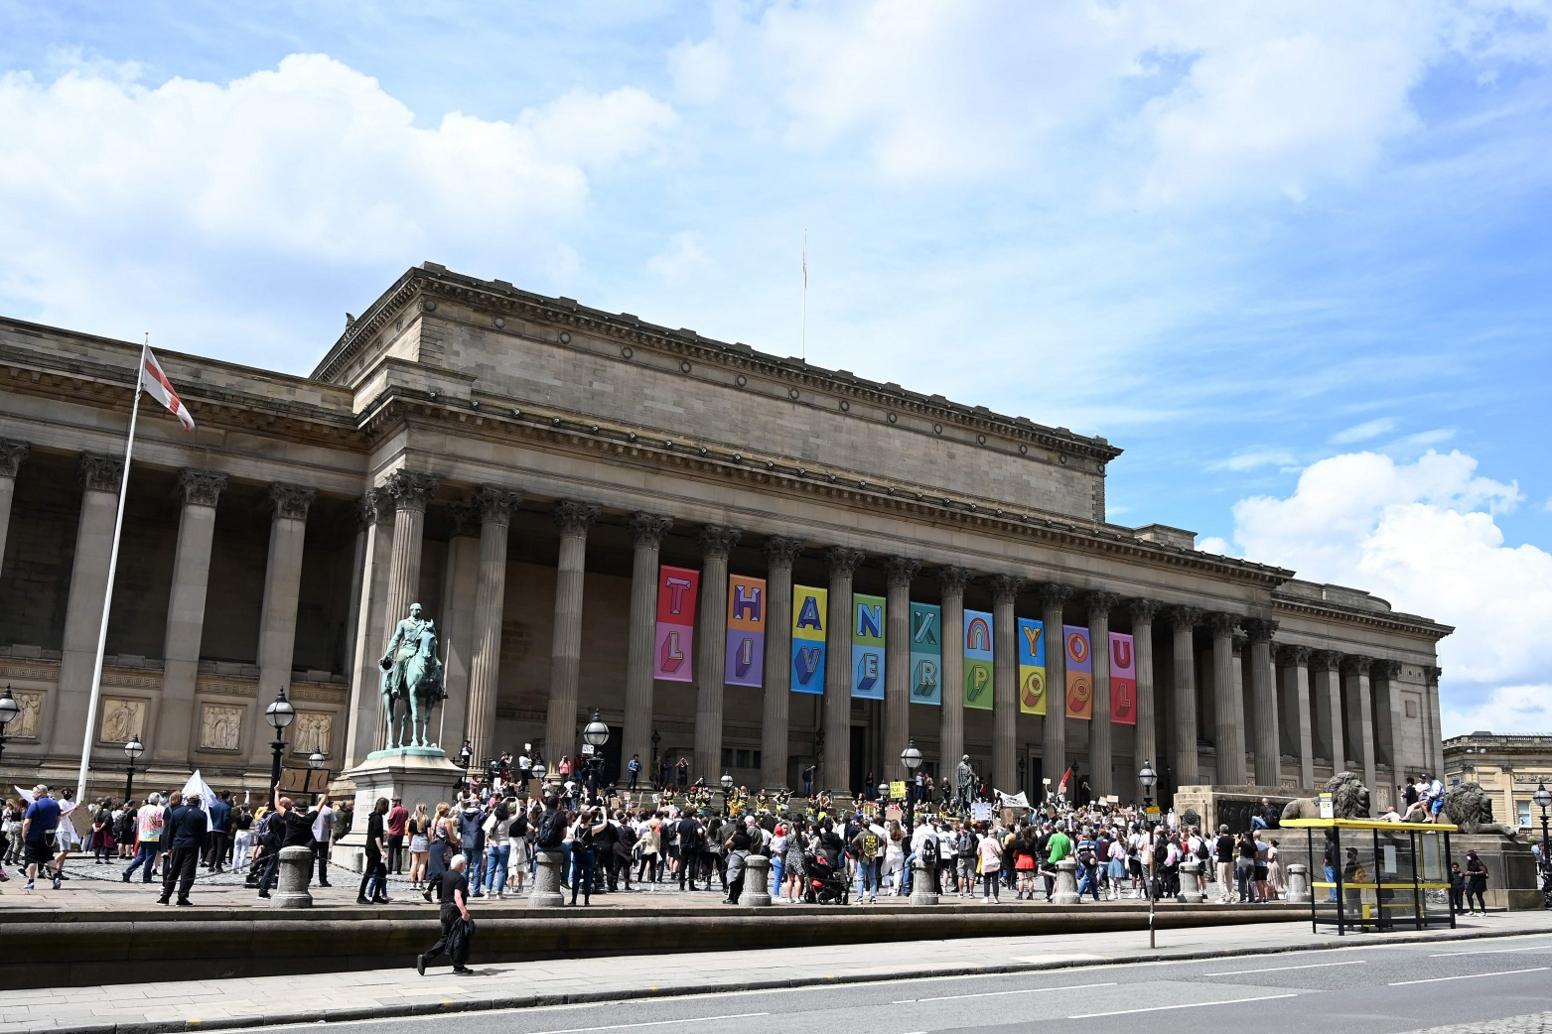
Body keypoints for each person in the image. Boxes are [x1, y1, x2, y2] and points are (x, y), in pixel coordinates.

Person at [417, 854, 475, 976]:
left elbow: (435, 878)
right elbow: (457, 896)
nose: (465, 867)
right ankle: (458, 966)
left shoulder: (445, 874)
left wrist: (428, 890)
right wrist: (464, 912)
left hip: (444, 909)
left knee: (446, 938)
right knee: (459, 938)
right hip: (454, 911)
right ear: (460, 865)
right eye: (464, 865)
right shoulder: (460, 879)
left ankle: (425, 959)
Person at [158, 793, 207, 906]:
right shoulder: (201, 814)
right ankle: (182, 897)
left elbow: (171, 831)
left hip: (178, 844)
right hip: (192, 845)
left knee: (173, 871)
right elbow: (203, 834)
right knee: (188, 872)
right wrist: (204, 850)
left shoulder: (177, 812)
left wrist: (169, 847)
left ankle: (165, 896)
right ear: (198, 802)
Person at [21, 785, 62, 893]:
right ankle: (56, 878)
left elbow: (26, 823)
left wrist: (24, 835)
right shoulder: (55, 804)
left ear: (40, 793)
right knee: (49, 857)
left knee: (32, 859)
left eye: (34, 793)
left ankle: (30, 882)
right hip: (48, 837)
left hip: (34, 837)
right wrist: (52, 830)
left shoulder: (35, 805)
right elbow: (58, 820)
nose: (33, 795)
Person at [358, 797, 390, 904]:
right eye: (387, 806)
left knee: (382, 871)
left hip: (372, 848)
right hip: (373, 850)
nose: (388, 809)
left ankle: (376, 896)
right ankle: (361, 896)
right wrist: (382, 850)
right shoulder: (377, 818)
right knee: (369, 872)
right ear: (383, 806)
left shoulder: (375, 816)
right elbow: (377, 836)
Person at [310, 794, 335, 888]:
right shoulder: (329, 810)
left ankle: (308, 878)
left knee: (310, 859)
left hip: (312, 837)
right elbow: (331, 825)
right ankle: (323, 880)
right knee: (322, 860)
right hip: (323, 837)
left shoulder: (312, 809)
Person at [205, 791, 232, 872]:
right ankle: (218, 866)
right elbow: (226, 819)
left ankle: (211, 865)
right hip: (222, 830)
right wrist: (228, 828)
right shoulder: (227, 807)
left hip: (214, 828)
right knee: (221, 849)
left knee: (214, 848)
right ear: (228, 797)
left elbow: (212, 816)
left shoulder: (215, 806)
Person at [1464, 849, 1489, 915]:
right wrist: (1466, 873)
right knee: (1468, 894)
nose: (1467, 857)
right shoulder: (1469, 863)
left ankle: (1483, 911)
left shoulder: (1478, 862)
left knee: (1479, 896)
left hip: (1479, 881)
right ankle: (1471, 910)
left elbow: (1483, 871)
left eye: (1469, 855)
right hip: (1472, 880)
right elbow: (1468, 871)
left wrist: (1474, 873)